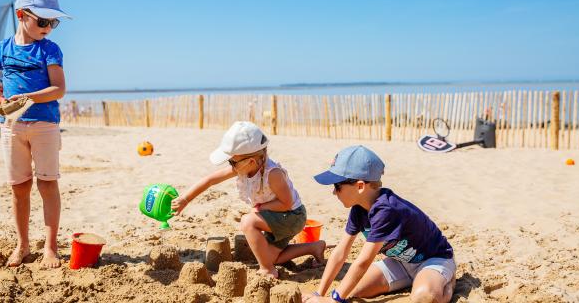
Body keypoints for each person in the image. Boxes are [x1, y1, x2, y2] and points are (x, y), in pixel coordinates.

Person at [0, 0, 71, 268]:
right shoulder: (2, 49)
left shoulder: (50, 49)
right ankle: (23, 244)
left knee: (47, 183)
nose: (48, 28)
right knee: (19, 187)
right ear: (21, 15)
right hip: (12, 126)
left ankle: (51, 247)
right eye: (42, 21)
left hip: (44, 124)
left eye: (52, 22)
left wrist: (30, 97)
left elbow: (58, 89)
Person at [172, 121, 326, 278]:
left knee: (248, 222)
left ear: (251, 161)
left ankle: (267, 270)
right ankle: (314, 247)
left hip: (292, 216)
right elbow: (210, 179)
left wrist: (259, 208)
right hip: (277, 216)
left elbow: (286, 203)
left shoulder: (273, 174)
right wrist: (185, 199)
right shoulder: (244, 167)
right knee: (270, 257)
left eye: (232, 161)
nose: (231, 165)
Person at [303, 145, 455, 303]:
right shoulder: (358, 209)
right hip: (401, 262)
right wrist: (319, 294)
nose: (334, 192)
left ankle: (447, 282)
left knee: (424, 296)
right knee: (352, 290)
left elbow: (363, 261)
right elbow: (340, 252)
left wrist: (335, 300)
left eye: (337, 186)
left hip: (433, 260)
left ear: (360, 186)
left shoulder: (386, 209)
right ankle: (419, 281)